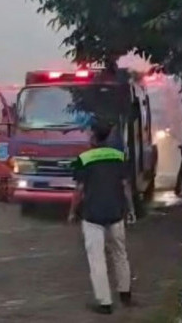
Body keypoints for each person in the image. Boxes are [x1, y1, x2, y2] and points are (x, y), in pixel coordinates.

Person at [68, 120, 135, 315]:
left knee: (97, 258)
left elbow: (79, 190)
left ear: (93, 136)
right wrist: (130, 209)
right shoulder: (118, 156)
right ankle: (125, 293)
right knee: (120, 253)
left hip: (92, 215)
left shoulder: (84, 158)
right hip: (116, 212)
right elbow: (126, 186)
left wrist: (72, 212)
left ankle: (105, 303)